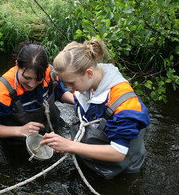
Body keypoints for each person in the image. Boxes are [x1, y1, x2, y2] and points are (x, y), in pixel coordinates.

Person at [41, 39, 150, 179]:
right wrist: (67, 141)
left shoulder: (125, 105)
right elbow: (87, 122)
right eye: (65, 82)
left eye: (71, 83)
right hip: (92, 162)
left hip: (119, 173)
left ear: (89, 73)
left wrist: (70, 146)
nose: (68, 88)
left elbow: (118, 153)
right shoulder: (86, 85)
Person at [0, 42, 74, 145]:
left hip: (53, 131)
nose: (32, 85)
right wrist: (20, 130)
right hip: (18, 143)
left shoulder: (50, 74)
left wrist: (77, 101)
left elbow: (60, 93)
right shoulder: (0, 94)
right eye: (27, 78)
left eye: (38, 80)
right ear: (17, 65)